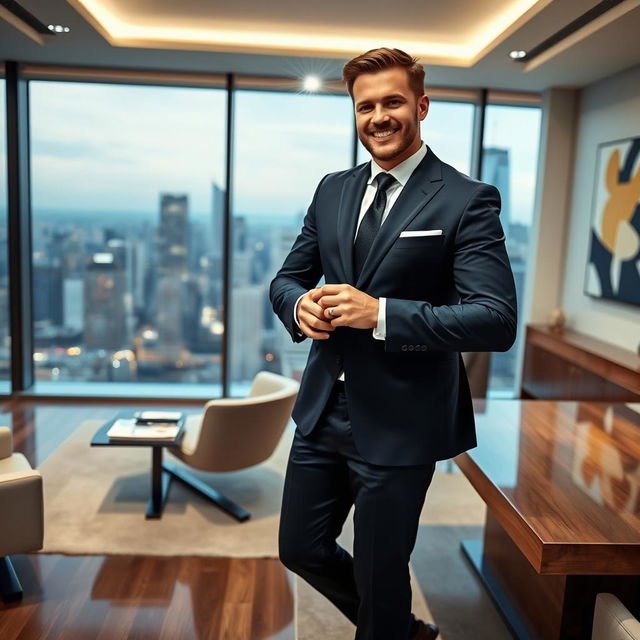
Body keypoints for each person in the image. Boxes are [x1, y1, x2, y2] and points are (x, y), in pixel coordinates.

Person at [269, 47, 517, 640]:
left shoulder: (465, 199)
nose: (378, 117)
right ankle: (401, 630)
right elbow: (286, 279)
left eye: (392, 103)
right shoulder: (333, 189)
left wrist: (379, 313)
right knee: (299, 548)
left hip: (404, 422)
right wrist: (299, 306)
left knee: (382, 574)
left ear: (422, 106)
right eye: (365, 107)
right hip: (323, 409)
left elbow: (494, 320)